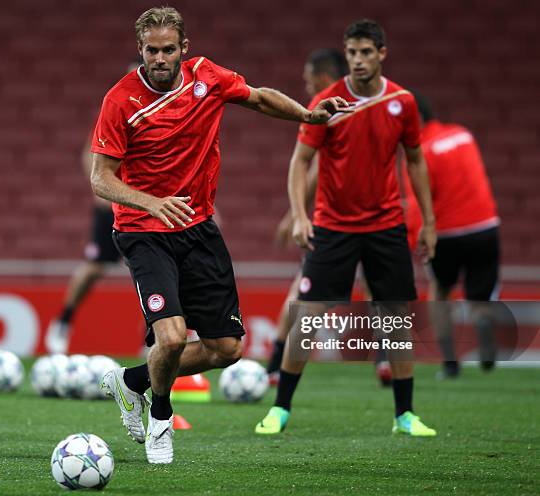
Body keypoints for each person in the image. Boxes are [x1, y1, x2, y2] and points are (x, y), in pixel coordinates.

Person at [91, 7, 352, 464]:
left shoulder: (206, 77)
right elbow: (100, 179)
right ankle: (161, 422)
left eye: (168, 49)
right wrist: (151, 202)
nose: (159, 58)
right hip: (143, 231)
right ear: (140, 50)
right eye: (151, 50)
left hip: (198, 229)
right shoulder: (120, 100)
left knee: (227, 349)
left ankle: (130, 383)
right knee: (169, 339)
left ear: (183, 49)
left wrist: (309, 117)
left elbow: (258, 97)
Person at [256, 19, 437, 437]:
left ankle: (404, 415)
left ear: (381, 54)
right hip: (333, 227)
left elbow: (415, 160)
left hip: (387, 225)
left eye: (366, 52)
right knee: (307, 318)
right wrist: (300, 215)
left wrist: (429, 221)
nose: (357, 60)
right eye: (352, 52)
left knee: (395, 318)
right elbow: (301, 162)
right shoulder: (326, 101)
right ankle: (280, 409)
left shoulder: (402, 102)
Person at [268, 48, 392, 387]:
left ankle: (275, 367)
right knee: (377, 290)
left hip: (340, 221)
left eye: (308, 80)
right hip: (378, 216)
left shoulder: (334, 105)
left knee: (304, 292)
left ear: (322, 77)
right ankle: (385, 361)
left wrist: (295, 214)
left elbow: (315, 166)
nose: (307, 88)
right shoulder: (370, 101)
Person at [44, 62, 143, 355]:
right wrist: (100, 187)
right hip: (114, 203)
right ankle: (63, 321)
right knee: (95, 267)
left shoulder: (166, 112)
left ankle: (152, 339)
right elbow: (92, 151)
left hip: (146, 204)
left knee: (150, 272)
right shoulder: (116, 109)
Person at [406, 93, 500, 379]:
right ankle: (482, 325)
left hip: (446, 231)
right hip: (485, 225)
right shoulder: (463, 135)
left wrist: (414, 240)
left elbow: (415, 201)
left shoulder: (418, 149)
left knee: (440, 291)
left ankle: (450, 363)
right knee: (480, 296)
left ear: (416, 118)